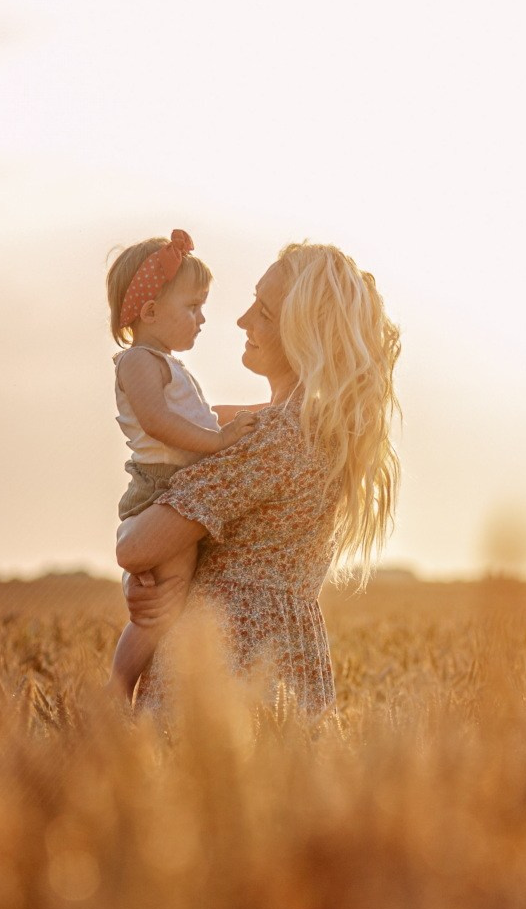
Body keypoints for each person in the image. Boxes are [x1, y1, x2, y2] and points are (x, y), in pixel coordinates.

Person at [115, 241, 401, 717]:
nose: (242, 320)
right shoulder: (316, 429)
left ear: (305, 335)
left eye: (263, 312)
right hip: (285, 655)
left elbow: (135, 548)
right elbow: (203, 423)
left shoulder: (274, 439)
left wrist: (142, 574)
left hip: (229, 660)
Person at [103, 230, 261, 699]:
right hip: (160, 487)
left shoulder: (166, 363)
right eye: (192, 306)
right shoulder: (137, 362)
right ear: (150, 312)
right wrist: (219, 442)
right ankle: (119, 688)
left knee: (174, 596)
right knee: (160, 607)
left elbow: (203, 417)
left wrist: (264, 413)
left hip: (177, 484)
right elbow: (157, 422)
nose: (202, 318)